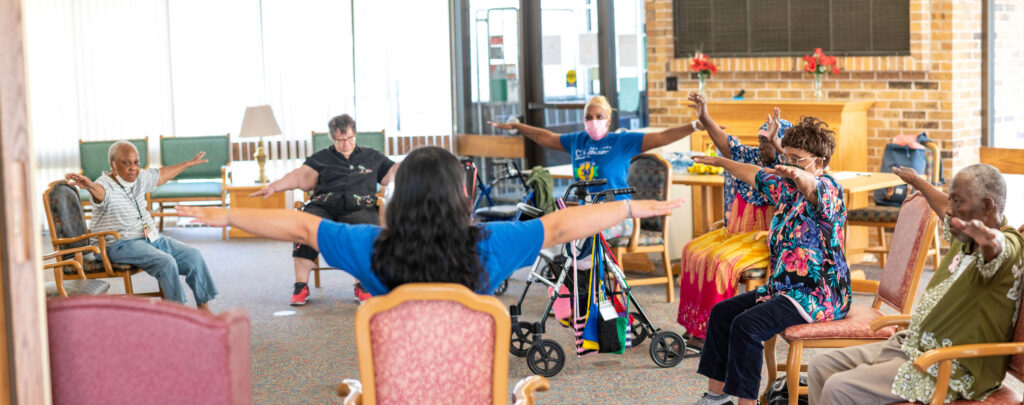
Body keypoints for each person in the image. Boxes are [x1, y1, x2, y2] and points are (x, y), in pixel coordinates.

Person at [178, 146, 682, 296]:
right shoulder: (491, 242)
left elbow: (300, 229)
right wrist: (631, 207)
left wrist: (219, 214)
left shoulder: (370, 246)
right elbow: (560, 226)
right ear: (458, 195)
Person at [808, 163, 1024, 404]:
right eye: (951, 201)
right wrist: (917, 182)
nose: (950, 210)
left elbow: (998, 249)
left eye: (958, 202)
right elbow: (942, 204)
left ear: (986, 206)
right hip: (912, 345)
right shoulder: (962, 233)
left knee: (839, 389)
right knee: (820, 366)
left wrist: (987, 237)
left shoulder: (1009, 245)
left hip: (949, 366)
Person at [689, 116, 850, 405]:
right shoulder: (784, 188)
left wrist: (800, 174)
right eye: (785, 156)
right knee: (723, 313)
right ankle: (716, 397)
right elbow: (753, 172)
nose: (788, 163)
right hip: (784, 288)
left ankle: (746, 403)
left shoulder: (830, 190)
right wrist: (722, 163)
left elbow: (811, 185)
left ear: (820, 161)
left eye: (797, 159)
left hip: (819, 294)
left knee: (747, 326)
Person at [490, 95, 707, 239]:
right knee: (557, 228)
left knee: (582, 235)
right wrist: (518, 126)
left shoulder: (621, 142)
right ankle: (577, 292)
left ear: (609, 119)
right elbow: (545, 137)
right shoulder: (577, 141)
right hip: (587, 211)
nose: (593, 121)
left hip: (619, 215)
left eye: (599, 117)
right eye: (588, 117)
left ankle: (595, 292)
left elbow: (662, 136)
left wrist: (696, 125)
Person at [677, 93, 791, 345]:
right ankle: (696, 326)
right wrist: (704, 116)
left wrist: (778, 143)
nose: (761, 146)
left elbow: (795, 166)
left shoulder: (787, 170)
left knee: (720, 262)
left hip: (761, 241)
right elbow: (725, 143)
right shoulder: (750, 158)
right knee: (692, 251)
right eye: (760, 140)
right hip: (733, 235)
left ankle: (713, 331)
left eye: (767, 141)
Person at [250, 114, 397, 306]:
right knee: (305, 228)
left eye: (350, 138)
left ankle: (363, 285)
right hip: (323, 207)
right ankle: (300, 286)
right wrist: (274, 187)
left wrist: (421, 169)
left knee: (366, 233)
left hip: (359, 208)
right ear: (332, 138)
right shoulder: (321, 158)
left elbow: (394, 172)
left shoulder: (372, 157)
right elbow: (297, 176)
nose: (346, 143)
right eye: (340, 140)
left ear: (355, 135)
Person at [65, 141, 218, 311]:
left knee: (193, 256)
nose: (132, 168)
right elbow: (100, 193)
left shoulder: (139, 177)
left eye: (135, 162)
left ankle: (204, 309)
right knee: (166, 262)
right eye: (126, 163)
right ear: (113, 165)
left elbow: (161, 175)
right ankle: (177, 314)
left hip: (149, 238)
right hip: (118, 244)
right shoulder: (104, 184)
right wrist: (91, 186)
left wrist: (188, 164)